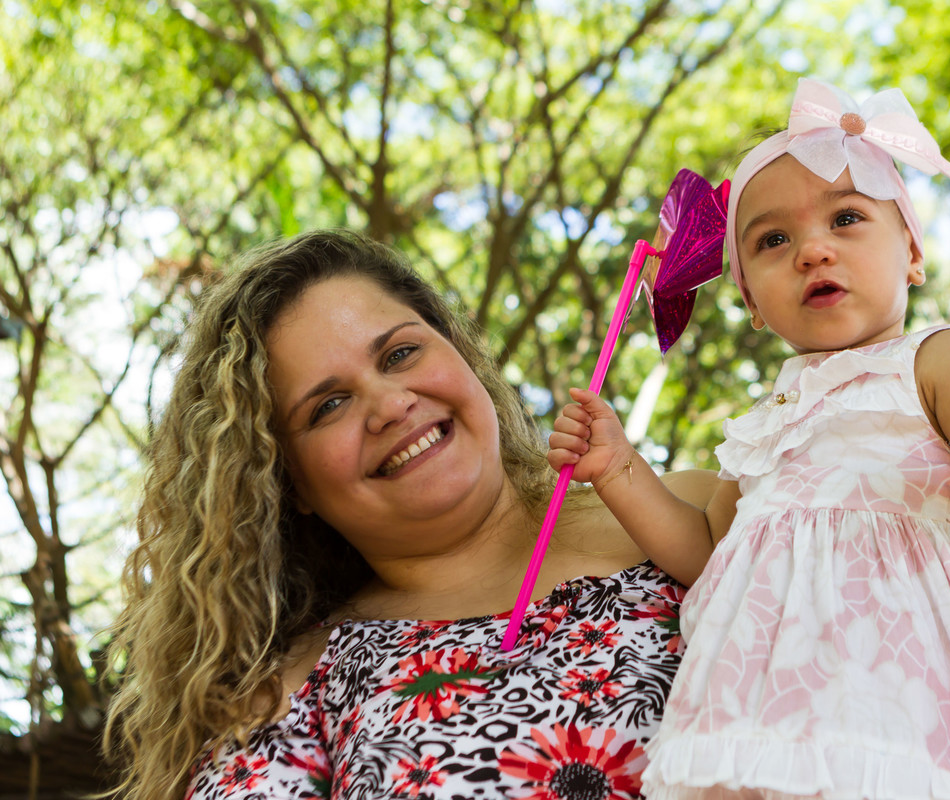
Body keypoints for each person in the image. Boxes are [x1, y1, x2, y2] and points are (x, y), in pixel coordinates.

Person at [548, 78, 950, 798]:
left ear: (913, 257)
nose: (811, 251)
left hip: (909, 706)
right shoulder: (767, 416)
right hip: (765, 717)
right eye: (773, 240)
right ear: (752, 303)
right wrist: (619, 470)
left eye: (847, 219)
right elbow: (708, 554)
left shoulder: (933, 359)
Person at [102, 229, 719, 800]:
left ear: (462, 356)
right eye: (329, 406)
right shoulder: (290, 694)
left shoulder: (702, 512)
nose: (391, 405)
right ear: (289, 482)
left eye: (399, 354)